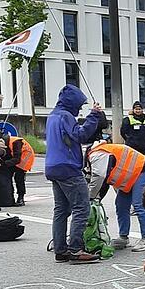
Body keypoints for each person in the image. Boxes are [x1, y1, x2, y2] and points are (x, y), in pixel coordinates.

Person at [44, 85, 104, 263]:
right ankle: (76, 250)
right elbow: (81, 135)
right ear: (72, 103)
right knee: (81, 207)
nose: (79, 109)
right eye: (79, 105)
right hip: (68, 167)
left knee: (61, 210)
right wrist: (94, 115)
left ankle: (60, 250)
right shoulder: (66, 116)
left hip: (53, 166)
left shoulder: (53, 116)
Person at [87, 141, 145, 252]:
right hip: (129, 176)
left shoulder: (97, 155)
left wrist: (92, 197)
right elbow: (104, 182)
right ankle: (123, 237)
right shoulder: (98, 154)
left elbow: (100, 177)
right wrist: (96, 198)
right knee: (121, 205)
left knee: (139, 205)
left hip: (141, 170)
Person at [0, 133, 35, 207]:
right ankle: (9, 196)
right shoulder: (3, 143)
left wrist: (2, 164)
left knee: (19, 177)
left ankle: (21, 198)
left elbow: (17, 159)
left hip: (25, 157)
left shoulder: (16, 143)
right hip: (16, 157)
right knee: (7, 173)